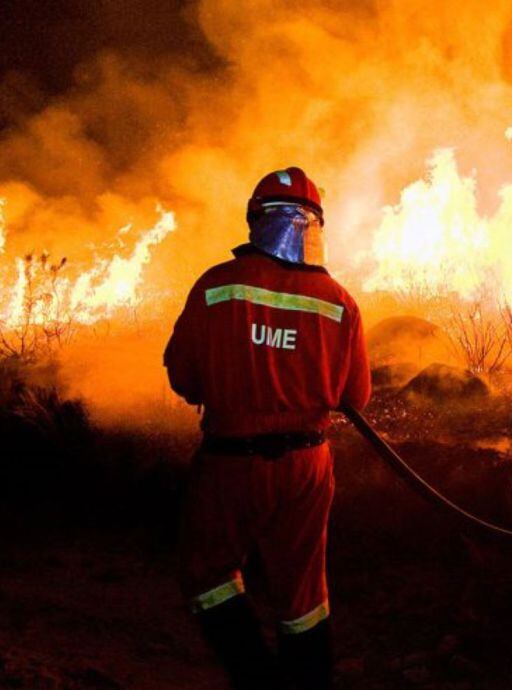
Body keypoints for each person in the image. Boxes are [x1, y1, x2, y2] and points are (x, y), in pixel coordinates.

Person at [164, 167, 371, 689]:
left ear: (256, 220)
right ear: (315, 225)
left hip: (230, 462)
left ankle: (256, 679)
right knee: (303, 594)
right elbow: (356, 398)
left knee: (208, 574)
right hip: (307, 466)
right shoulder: (338, 302)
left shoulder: (216, 286)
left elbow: (185, 378)